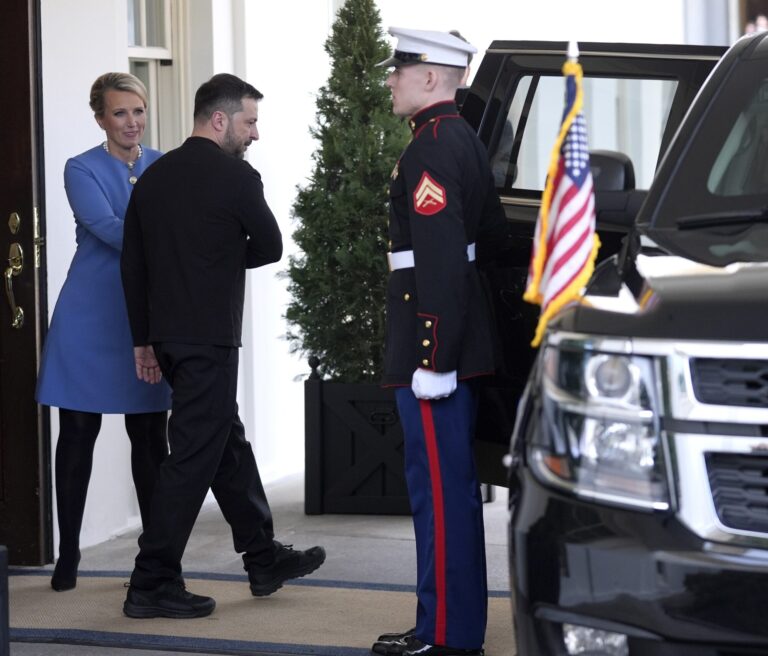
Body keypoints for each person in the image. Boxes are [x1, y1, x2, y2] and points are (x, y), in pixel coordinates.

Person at [119, 73, 326, 619]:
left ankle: (262, 557)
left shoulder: (153, 177)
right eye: (250, 121)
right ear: (220, 119)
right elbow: (271, 245)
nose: (254, 133)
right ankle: (151, 581)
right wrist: (221, 256)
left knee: (222, 442)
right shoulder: (237, 177)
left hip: (166, 336)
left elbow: (132, 266)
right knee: (191, 457)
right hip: (210, 337)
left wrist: (143, 340)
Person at [371, 28, 508, 656]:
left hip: (434, 347)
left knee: (443, 494)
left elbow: (442, 258)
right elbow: (492, 242)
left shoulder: (431, 147)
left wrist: (434, 357)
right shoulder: (461, 138)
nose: (391, 79)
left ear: (431, 76)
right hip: (456, 335)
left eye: (400, 70)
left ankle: (449, 637)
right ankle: (443, 627)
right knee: (444, 489)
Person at [36, 72, 171, 592]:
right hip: (91, 317)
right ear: (100, 119)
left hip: (145, 317)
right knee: (77, 435)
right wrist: (174, 245)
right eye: (119, 113)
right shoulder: (81, 168)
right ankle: (68, 553)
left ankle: (155, 556)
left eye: (138, 111)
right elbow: (112, 229)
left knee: (148, 437)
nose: (131, 122)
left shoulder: (164, 165)